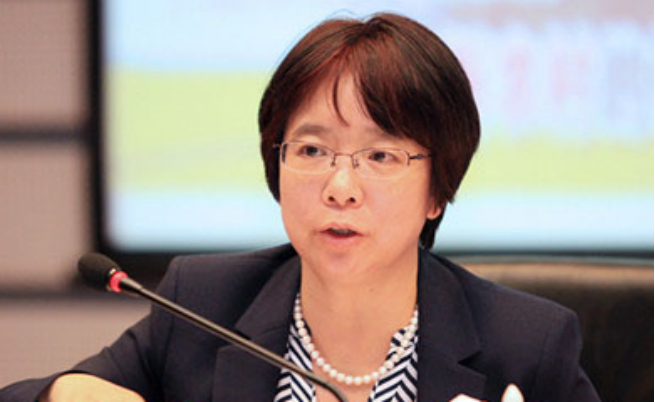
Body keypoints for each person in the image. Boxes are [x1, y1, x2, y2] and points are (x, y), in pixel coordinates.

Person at [0, 12, 601, 402]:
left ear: (438, 190)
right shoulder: (202, 304)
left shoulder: (527, 345)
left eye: (381, 156)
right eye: (312, 150)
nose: (340, 186)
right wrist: (64, 393)